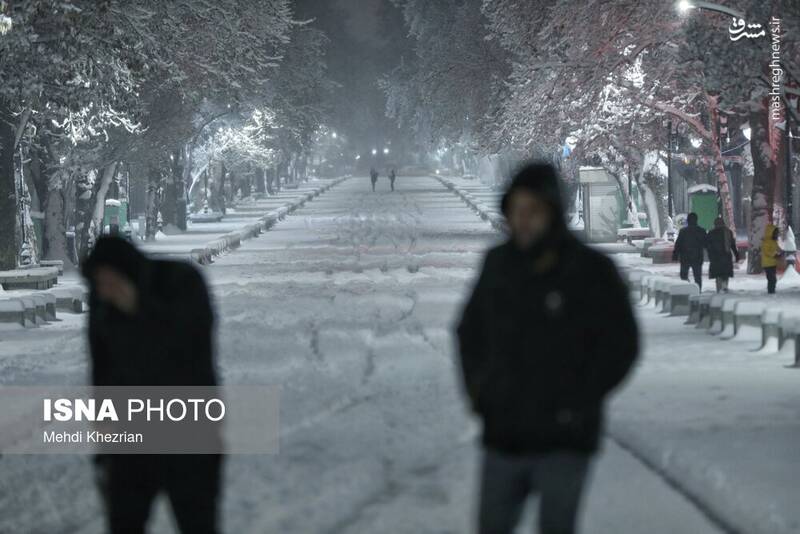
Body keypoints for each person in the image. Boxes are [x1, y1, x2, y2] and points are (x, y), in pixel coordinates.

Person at [456, 163, 638, 534]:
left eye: (533, 211)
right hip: (504, 433)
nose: (522, 221)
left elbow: (621, 344)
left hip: (565, 438)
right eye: (516, 211)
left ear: (553, 211)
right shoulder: (498, 265)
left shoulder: (592, 271)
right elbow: (468, 332)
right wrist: (481, 392)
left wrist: (581, 398)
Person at [82, 236, 221, 534]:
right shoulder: (103, 301)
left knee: (197, 523)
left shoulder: (182, 282)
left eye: (109, 282)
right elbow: (102, 369)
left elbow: (189, 348)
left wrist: (138, 307)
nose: (104, 291)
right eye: (98, 283)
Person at [672, 212, 707, 289]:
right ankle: (697, 291)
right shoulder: (701, 231)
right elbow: (706, 244)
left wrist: (675, 255)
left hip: (685, 258)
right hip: (697, 257)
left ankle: (686, 290)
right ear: (696, 220)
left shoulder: (683, 231)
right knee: (697, 277)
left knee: (683, 276)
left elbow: (678, 244)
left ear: (688, 220)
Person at [706, 217, 739, 293]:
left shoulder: (711, 233)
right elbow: (732, 245)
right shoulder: (728, 232)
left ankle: (719, 289)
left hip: (715, 258)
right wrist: (736, 255)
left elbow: (708, 246)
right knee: (725, 274)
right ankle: (725, 287)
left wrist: (710, 256)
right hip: (726, 257)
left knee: (718, 275)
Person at [761, 224, 781, 294]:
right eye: (776, 233)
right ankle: (771, 291)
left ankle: (772, 290)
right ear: (771, 232)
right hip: (767, 264)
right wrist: (774, 254)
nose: (777, 235)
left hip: (773, 263)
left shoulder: (774, 241)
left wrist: (781, 251)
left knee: (773, 278)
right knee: (771, 278)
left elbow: (777, 248)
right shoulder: (766, 241)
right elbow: (766, 251)